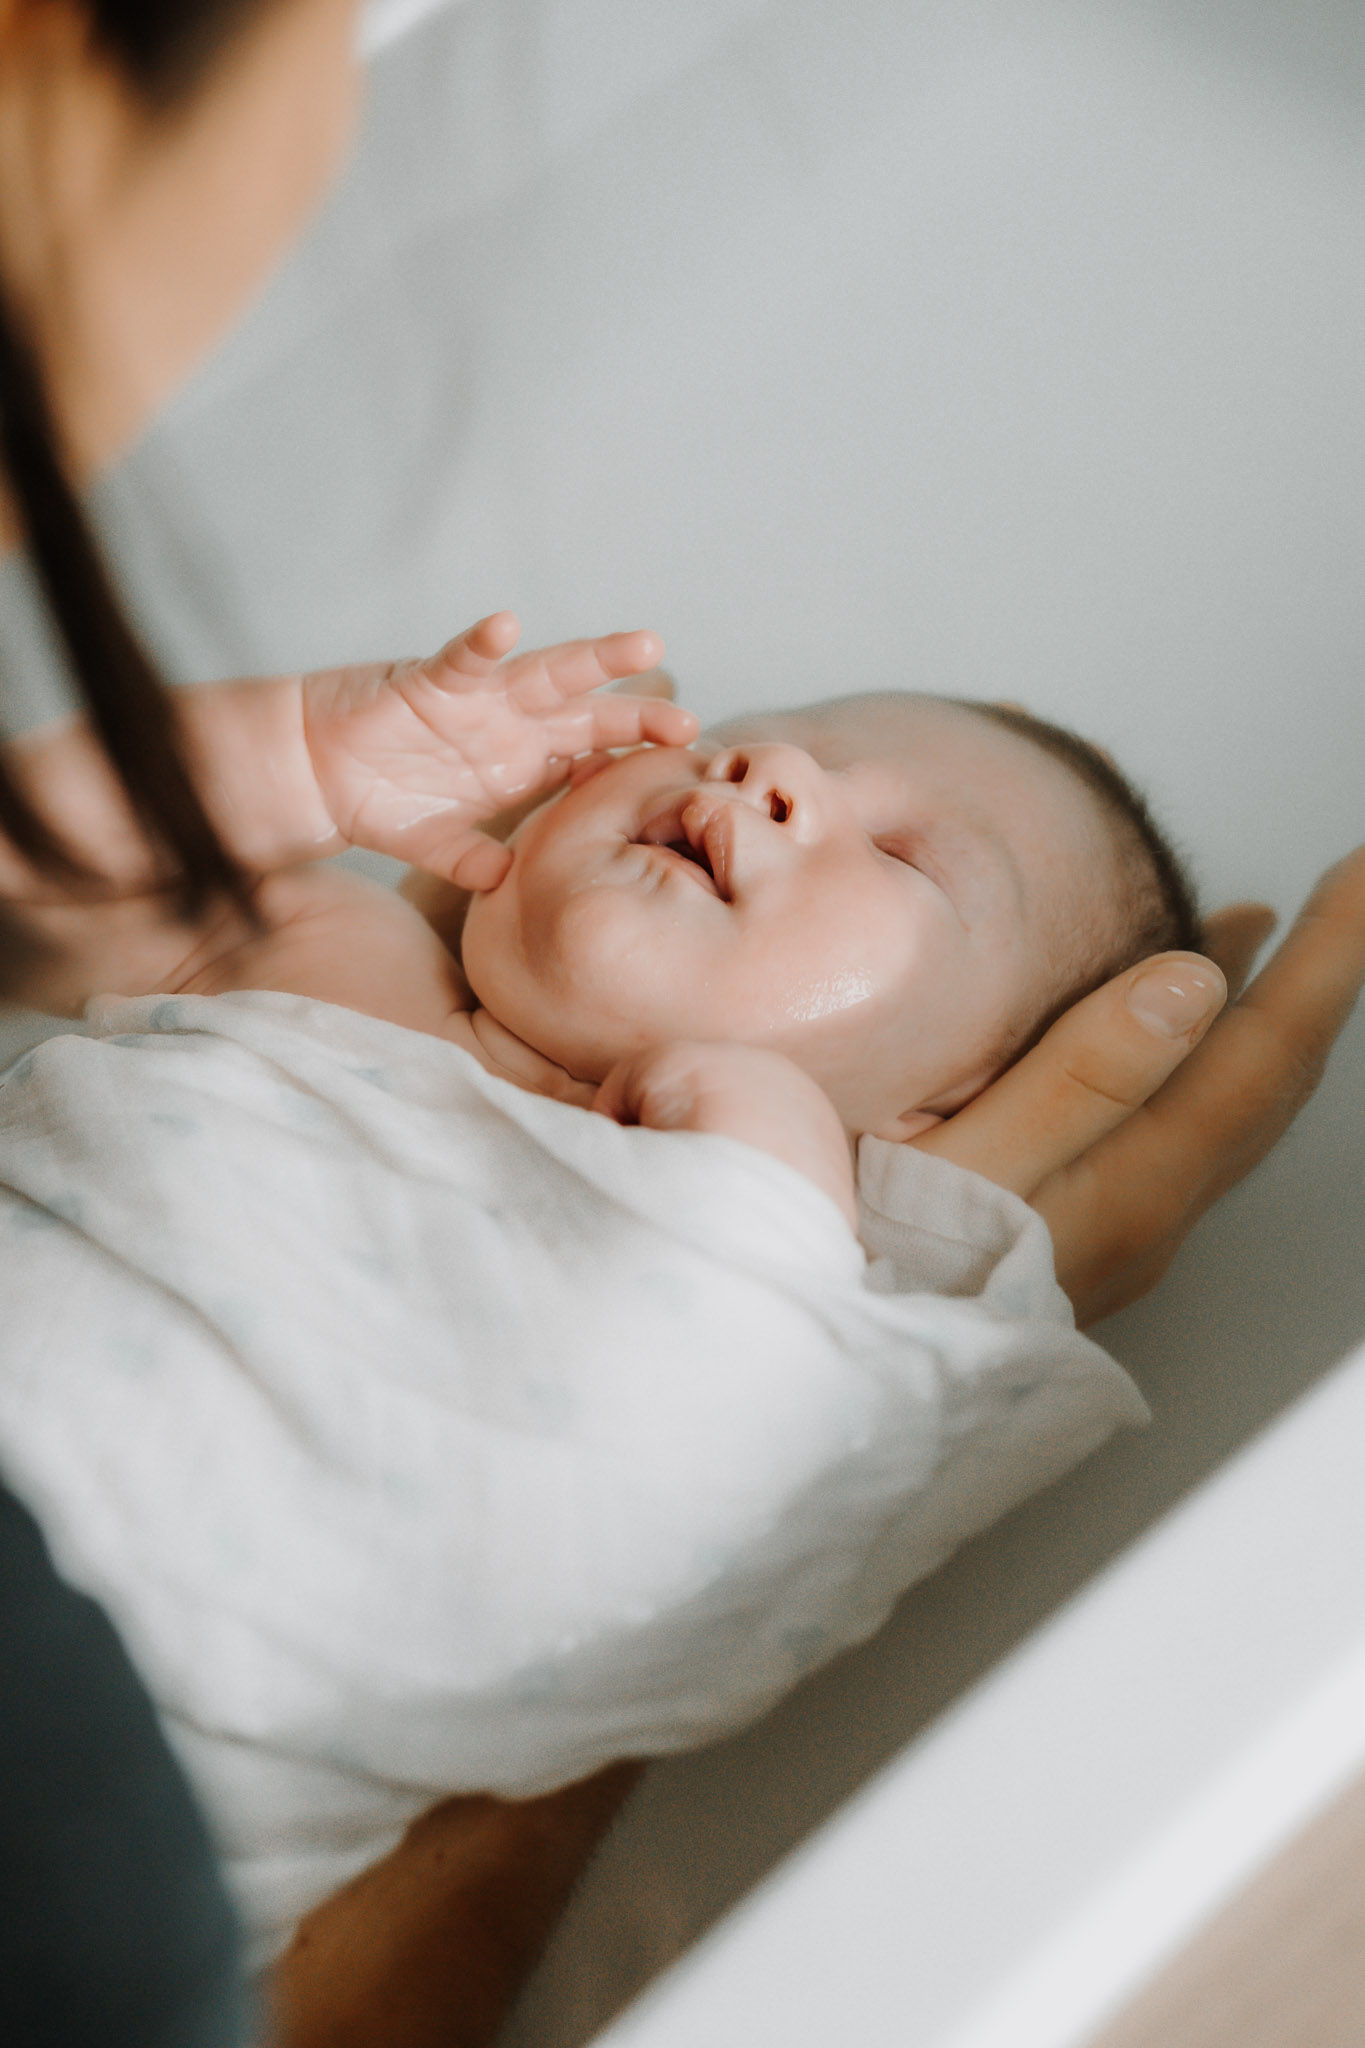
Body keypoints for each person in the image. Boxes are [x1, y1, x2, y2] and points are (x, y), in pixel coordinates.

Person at [0, 3, 1361, 2045]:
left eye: (901, 865)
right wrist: (290, 762)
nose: (776, 788)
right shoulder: (319, 945)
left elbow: (682, 1477)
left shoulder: (788, 1267)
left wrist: (758, 1163)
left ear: (951, 1098)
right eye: (759, 747)